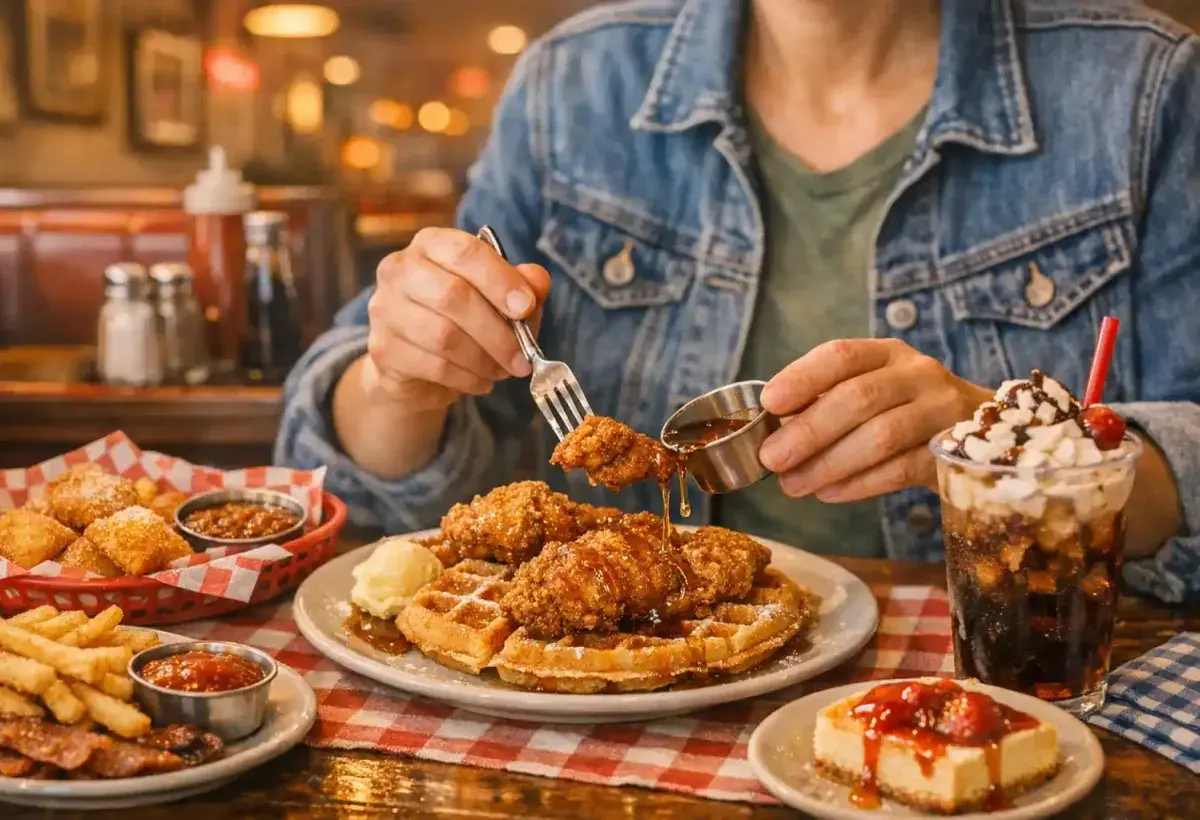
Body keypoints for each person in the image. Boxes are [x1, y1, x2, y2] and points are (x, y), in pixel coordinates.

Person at [277, 0, 1199, 602]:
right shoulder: (574, 87)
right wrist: (401, 380)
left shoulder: (1141, 91)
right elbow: (358, 493)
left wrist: (1009, 447)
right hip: (599, 716)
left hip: (986, 688)